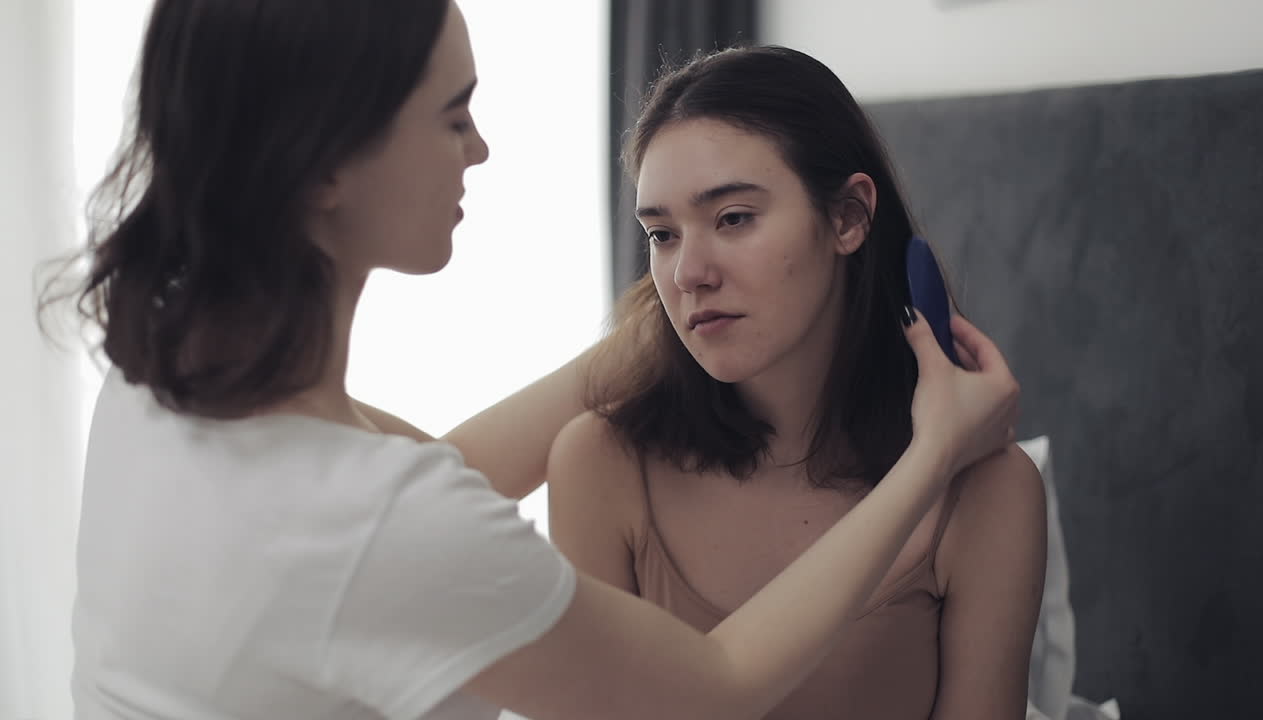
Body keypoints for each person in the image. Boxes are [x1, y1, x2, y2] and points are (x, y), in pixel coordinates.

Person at [44, 3, 1020, 718]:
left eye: (730, 218)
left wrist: (672, 315)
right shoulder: (400, 512)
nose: (479, 148)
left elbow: (424, 487)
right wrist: (931, 453)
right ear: (328, 161)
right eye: (452, 114)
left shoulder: (158, 390)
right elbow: (715, 688)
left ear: (848, 217)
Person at [548, 46, 1047, 720]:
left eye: (733, 218)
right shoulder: (600, 464)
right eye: (662, 234)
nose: (688, 273)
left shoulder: (989, 492)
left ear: (848, 217)